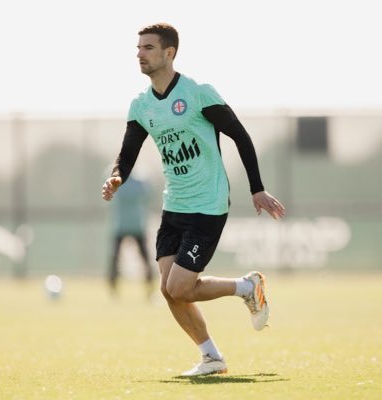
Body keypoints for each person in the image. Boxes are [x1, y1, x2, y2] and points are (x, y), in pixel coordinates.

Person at [102, 23, 285, 376]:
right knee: (170, 291)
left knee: (180, 286)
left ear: (169, 53)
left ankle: (247, 287)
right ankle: (211, 358)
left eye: (148, 48)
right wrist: (117, 176)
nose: (140, 54)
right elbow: (127, 153)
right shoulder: (141, 105)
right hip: (174, 207)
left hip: (208, 204)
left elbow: (241, 136)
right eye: (138, 48)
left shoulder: (198, 92)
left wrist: (257, 188)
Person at [107, 173, 155, 298]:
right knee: (115, 259)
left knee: (144, 259)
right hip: (124, 225)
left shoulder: (139, 181)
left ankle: (150, 290)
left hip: (134, 225)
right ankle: (113, 290)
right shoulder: (140, 182)